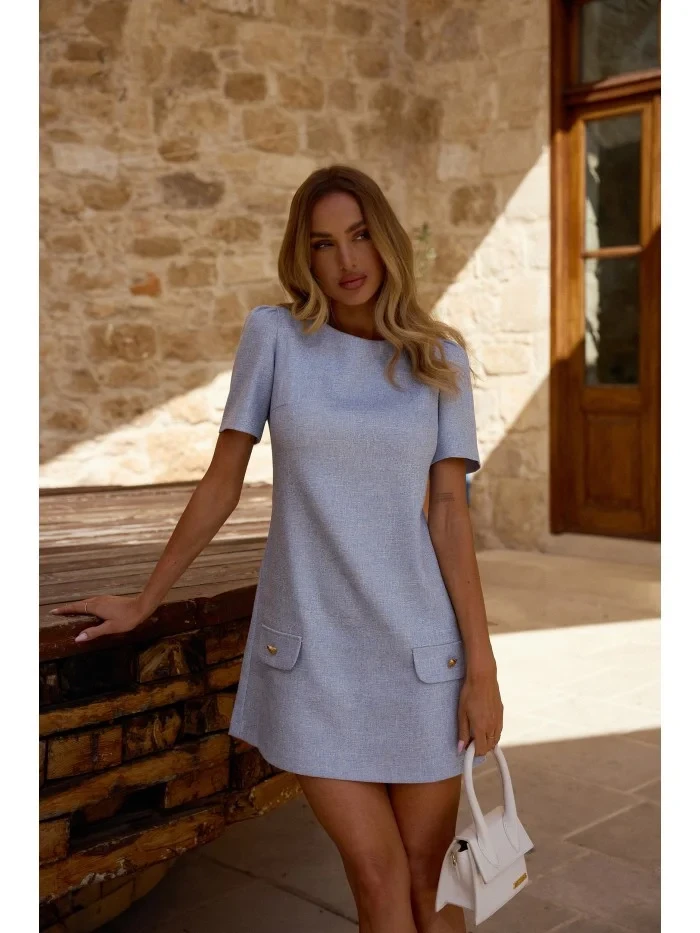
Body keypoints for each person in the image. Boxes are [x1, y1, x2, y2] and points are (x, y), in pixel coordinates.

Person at [51, 164, 504, 933]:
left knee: (430, 882)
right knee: (377, 875)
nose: (346, 259)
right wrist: (146, 597)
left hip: (422, 657)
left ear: (387, 240)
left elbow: (450, 517)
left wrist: (482, 669)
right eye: (324, 243)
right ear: (305, 255)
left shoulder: (439, 360)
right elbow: (221, 483)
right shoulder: (276, 339)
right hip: (314, 659)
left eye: (360, 235)